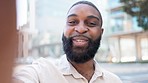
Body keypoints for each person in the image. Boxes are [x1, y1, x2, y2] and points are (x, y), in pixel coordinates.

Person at [13, 1, 122, 83]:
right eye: (72, 22)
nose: (80, 29)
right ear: (64, 30)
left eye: (92, 23)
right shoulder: (41, 71)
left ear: (101, 32)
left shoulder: (114, 80)